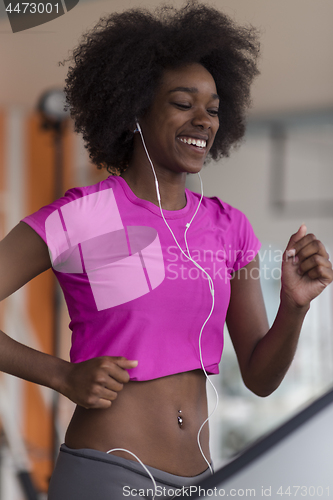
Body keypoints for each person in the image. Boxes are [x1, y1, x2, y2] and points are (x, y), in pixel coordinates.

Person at [1, 3, 332, 499]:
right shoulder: (86, 215)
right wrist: (61, 374)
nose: (203, 120)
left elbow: (261, 378)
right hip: (106, 474)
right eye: (183, 103)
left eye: (214, 109)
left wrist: (294, 307)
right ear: (135, 108)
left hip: (202, 481)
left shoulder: (229, 226)